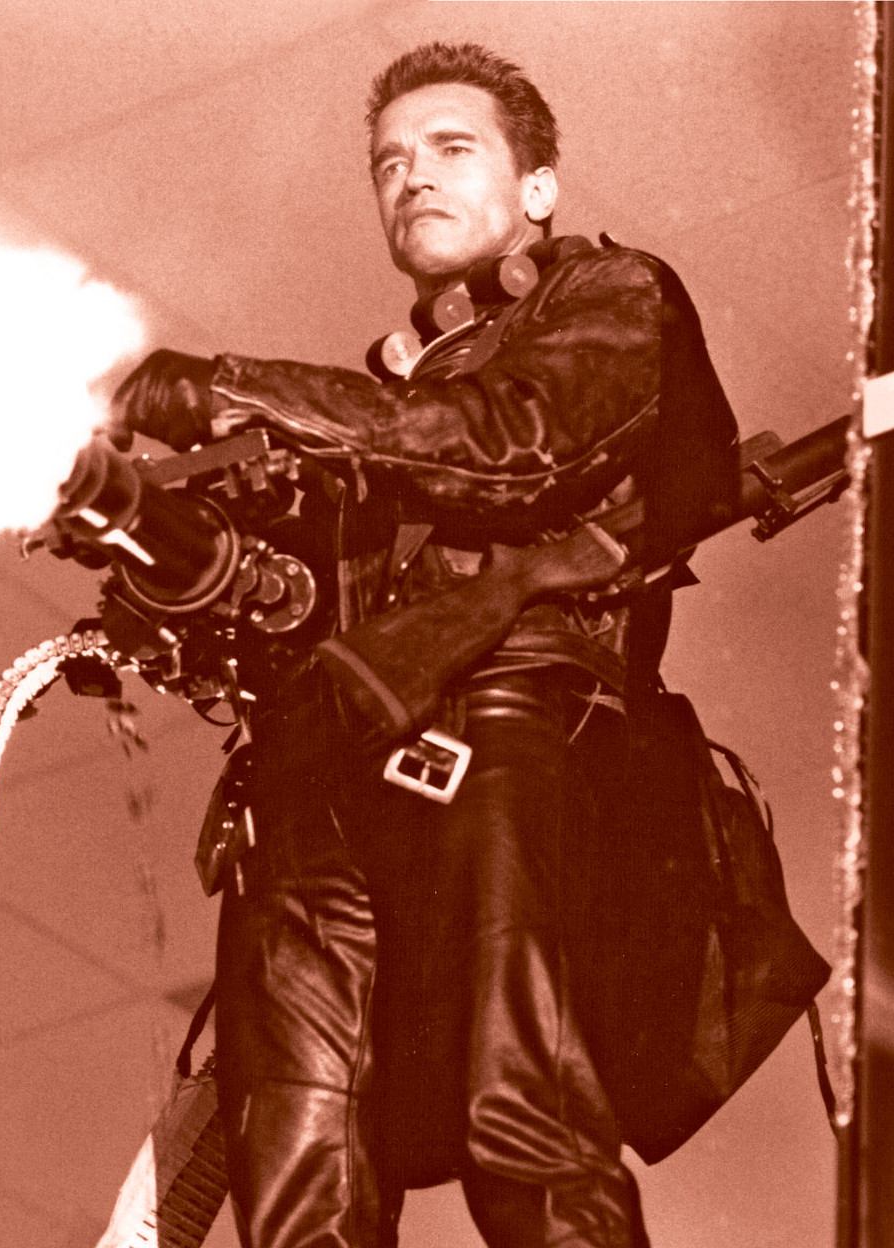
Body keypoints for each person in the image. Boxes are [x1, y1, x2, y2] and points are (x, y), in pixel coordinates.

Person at [109, 42, 740, 1248]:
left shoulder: (610, 295)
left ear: (537, 186)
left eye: (451, 148)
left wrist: (238, 391)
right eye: (388, 163)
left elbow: (519, 445)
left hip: (506, 727)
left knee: (523, 1123)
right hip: (311, 778)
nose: (413, 177)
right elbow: (273, 599)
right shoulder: (372, 414)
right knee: (294, 1181)